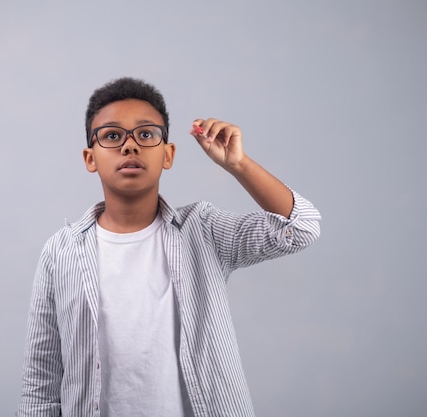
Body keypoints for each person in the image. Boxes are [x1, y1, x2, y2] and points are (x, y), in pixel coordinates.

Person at [16, 77, 321, 417]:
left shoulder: (202, 231)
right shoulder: (61, 251)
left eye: (146, 134)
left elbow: (302, 228)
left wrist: (238, 164)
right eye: (112, 136)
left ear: (168, 154)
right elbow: (40, 386)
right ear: (90, 158)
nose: (129, 146)